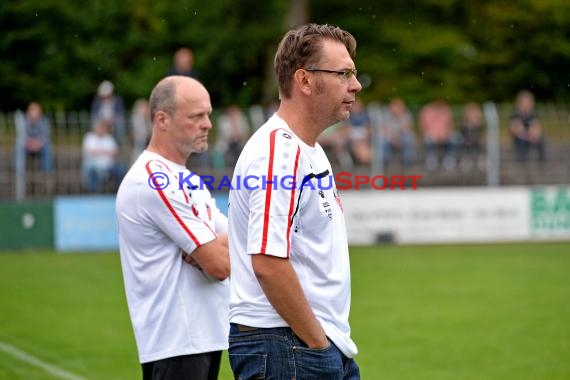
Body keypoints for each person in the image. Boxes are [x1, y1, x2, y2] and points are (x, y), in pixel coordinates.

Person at [227, 23, 361, 379]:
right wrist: (317, 343)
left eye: (354, 73)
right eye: (343, 73)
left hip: (308, 344)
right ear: (304, 80)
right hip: (289, 345)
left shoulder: (307, 150)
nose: (356, 85)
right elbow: (268, 263)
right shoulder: (278, 155)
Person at [115, 76, 230, 380]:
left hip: (202, 337)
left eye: (208, 114)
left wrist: (212, 247)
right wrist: (215, 248)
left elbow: (242, 240)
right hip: (176, 342)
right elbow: (219, 265)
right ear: (162, 120)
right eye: (196, 116)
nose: (207, 124)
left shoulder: (185, 178)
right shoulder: (153, 179)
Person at [81, 118, 126, 193]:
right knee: (91, 171)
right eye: (99, 127)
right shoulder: (89, 137)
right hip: (93, 165)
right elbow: (89, 152)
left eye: (103, 127)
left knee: (121, 169)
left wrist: (98, 151)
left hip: (109, 166)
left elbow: (115, 152)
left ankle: (120, 192)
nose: (101, 129)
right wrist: (105, 152)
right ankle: (93, 194)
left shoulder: (109, 138)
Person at [13, 101, 53, 173]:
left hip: (40, 145)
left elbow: (45, 136)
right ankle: (18, 171)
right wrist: (29, 143)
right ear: (28, 112)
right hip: (27, 145)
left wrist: (38, 143)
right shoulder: (23, 121)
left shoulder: (44, 121)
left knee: (47, 148)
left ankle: (47, 172)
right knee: (18, 147)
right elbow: (21, 135)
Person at [419, 99, 459, 170]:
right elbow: (423, 126)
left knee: (454, 138)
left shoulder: (446, 110)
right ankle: (431, 160)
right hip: (431, 135)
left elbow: (451, 125)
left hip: (445, 135)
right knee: (428, 140)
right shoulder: (427, 110)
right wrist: (435, 135)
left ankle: (449, 159)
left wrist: (445, 134)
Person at [509, 89, 546, 162]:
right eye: (523, 104)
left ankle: (542, 163)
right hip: (520, 138)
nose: (526, 106)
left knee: (541, 141)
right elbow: (515, 129)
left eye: (527, 103)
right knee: (521, 141)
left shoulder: (534, 115)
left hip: (531, 137)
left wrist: (533, 134)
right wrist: (526, 134)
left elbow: (537, 128)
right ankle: (522, 163)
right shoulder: (515, 115)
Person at [379, 97, 417, 166]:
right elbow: (383, 129)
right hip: (390, 137)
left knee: (409, 138)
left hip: (401, 137)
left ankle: (407, 162)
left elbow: (408, 129)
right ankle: (385, 162)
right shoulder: (386, 115)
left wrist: (398, 137)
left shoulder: (406, 115)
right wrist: (392, 137)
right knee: (383, 140)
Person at [90, 80, 126, 146]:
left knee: (119, 128)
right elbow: (94, 115)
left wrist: (112, 120)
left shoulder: (117, 101)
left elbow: (120, 115)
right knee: (96, 127)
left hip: (114, 123)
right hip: (101, 122)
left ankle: (117, 145)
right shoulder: (97, 102)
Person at [213, 104, 250, 168]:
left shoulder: (241, 119)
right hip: (227, 142)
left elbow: (245, 131)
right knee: (234, 146)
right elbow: (224, 133)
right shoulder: (223, 120)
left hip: (239, 141)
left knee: (239, 146)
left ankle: (239, 165)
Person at [346, 98, 372, 165]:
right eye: (355, 105)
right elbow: (346, 130)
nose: (356, 107)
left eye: (358, 105)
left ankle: (365, 158)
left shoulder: (365, 116)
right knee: (358, 145)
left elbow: (368, 130)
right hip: (352, 141)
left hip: (363, 140)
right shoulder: (347, 116)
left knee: (364, 146)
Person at [459, 101, 484, 169]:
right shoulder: (464, 124)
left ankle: (480, 161)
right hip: (466, 142)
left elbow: (479, 134)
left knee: (478, 144)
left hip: (476, 142)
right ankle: (466, 160)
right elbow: (463, 133)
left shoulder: (479, 125)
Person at [130, 98, 152, 163]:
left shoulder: (149, 119)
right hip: (138, 144)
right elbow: (139, 132)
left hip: (147, 144)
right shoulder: (136, 119)